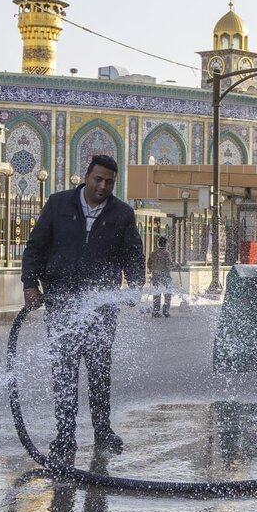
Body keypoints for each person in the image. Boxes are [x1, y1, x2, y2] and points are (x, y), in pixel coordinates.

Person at [21, 154, 145, 461]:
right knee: (64, 372)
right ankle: (65, 435)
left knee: (99, 372)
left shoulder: (122, 214)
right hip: (61, 302)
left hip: (101, 307)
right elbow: (36, 246)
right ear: (86, 176)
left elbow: (133, 254)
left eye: (109, 182)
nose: (103, 186)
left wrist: (136, 286)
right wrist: (30, 284)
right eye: (98, 179)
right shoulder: (58, 204)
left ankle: (103, 431)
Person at [148, 235, 174, 317]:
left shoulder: (153, 253)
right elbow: (168, 264)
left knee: (157, 293)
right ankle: (165, 311)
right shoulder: (166, 253)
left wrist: (153, 270)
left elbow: (149, 264)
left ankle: (155, 311)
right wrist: (175, 265)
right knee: (167, 293)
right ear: (165, 243)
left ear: (158, 243)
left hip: (155, 275)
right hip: (165, 275)